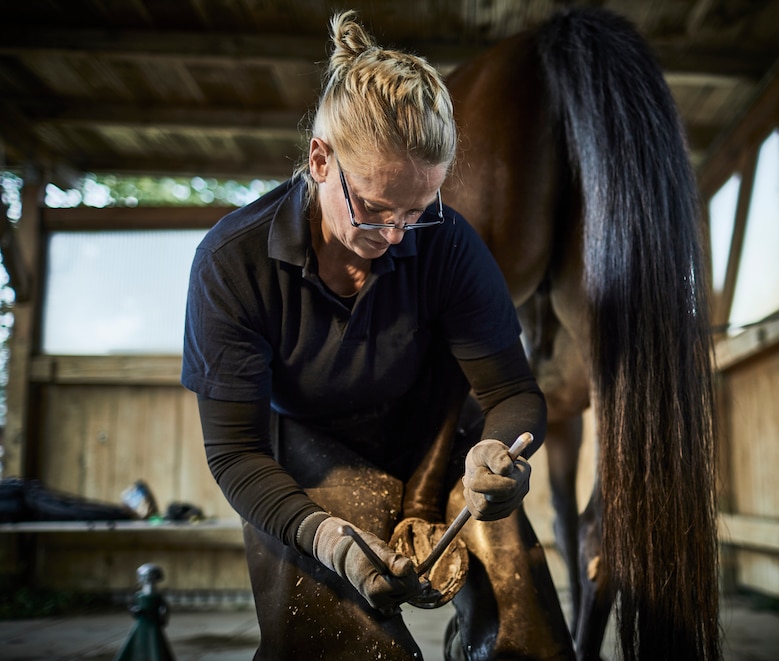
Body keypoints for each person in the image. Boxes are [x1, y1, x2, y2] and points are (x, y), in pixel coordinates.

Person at [181, 10, 574, 661]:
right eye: (373, 208)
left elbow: (511, 390)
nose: (395, 237)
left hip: (442, 443)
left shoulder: (446, 239)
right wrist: (327, 536)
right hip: (312, 456)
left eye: (416, 213)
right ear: (319, 160)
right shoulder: (233, 264)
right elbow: (235, 452)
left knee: (528, 639)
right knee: (349, 647)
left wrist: (496, 453)